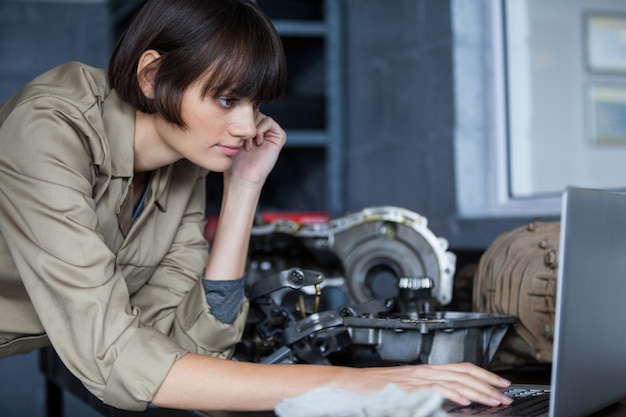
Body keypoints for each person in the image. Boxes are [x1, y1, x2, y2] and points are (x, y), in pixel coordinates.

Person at [0, 0, 514, 412]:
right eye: (227, 100)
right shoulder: (48, 129)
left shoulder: (185, 158)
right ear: (153, 76)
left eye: (256, 104)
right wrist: (365, 384)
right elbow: (116, 360)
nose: (249, 127)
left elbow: (192, 347)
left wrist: (244, 187)